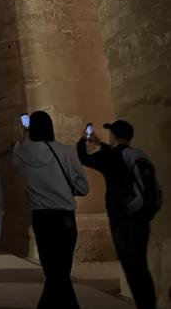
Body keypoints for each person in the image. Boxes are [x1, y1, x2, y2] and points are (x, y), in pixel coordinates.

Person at [77, 119, 158, 309]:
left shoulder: (113, 157)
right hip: (142, 218)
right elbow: (115, 156)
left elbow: (84, 158)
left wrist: (84, 139)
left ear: (114, 135)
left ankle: (144, 305)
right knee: (140, 265)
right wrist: (100, 144)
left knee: (132, 268)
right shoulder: (140, 155)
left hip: (123, 220)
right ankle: (149, 304)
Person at [13, 110, 89, 309]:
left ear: (31, 128)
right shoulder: (65, 152)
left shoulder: (21, 152)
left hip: (42, 218)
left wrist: (24, 133)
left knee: (55, 274)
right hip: (65, 217)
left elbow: (16, 162)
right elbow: (84, 187)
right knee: (61, 273)